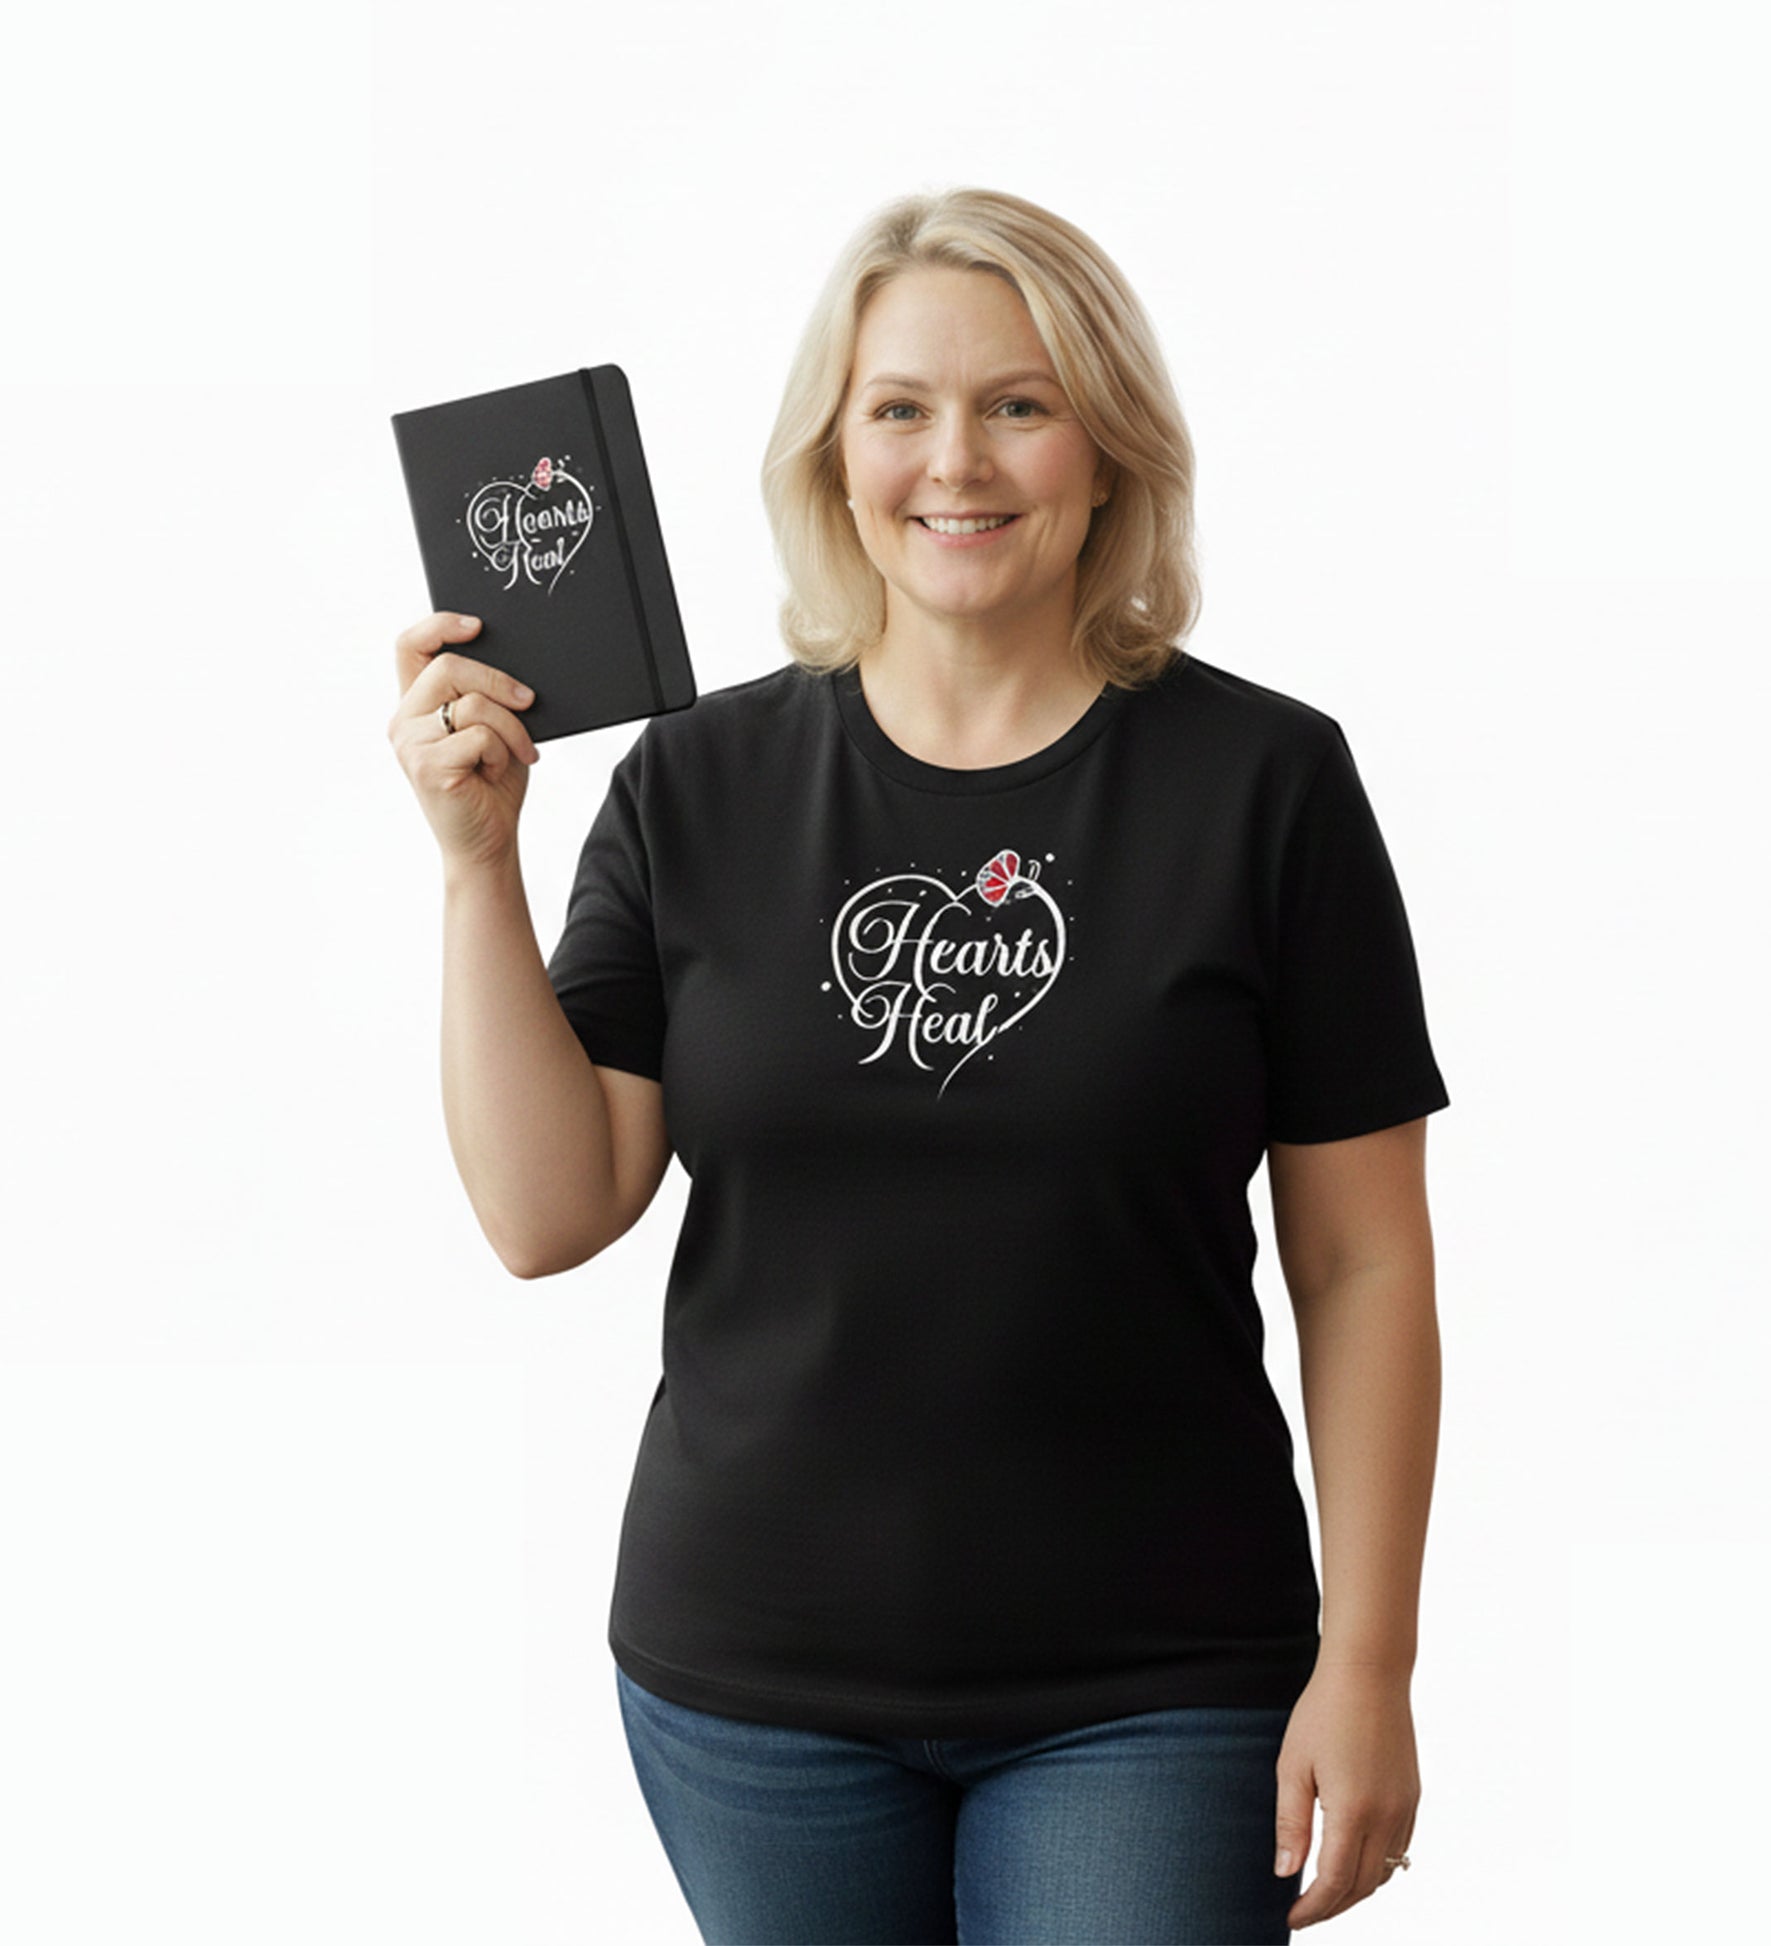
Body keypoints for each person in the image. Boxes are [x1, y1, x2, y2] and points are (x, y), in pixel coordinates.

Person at [388, 186, 1450, 1944]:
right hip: (751, 1686)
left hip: (1158, 1680)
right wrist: (474, 859)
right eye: (899, 407)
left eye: (1018, 403)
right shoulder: (694, 785)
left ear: (1107, 448)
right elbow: (547, 1207)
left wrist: (1373, 1660)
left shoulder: (1266, 783)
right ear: (834, 452)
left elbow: (1361, 1257)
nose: (955, 460)